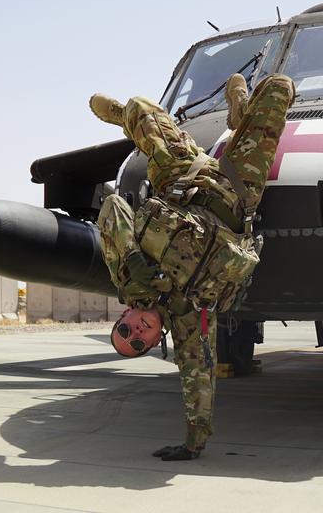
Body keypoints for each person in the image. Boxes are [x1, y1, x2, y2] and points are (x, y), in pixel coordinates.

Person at [90, 72, 295, 461]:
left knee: (140, 106)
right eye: (139, 343)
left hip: (181, 179)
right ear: (155, 343)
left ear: (125, 315)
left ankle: (131, 121)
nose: (136, 331)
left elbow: (113, 207)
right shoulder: (188, 319)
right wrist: (192, 444)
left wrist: (133, 257)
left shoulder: (126, 278)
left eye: (125, 330)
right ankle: (243, 111)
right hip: (235, 192)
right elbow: (197, 376)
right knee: (279, 88)